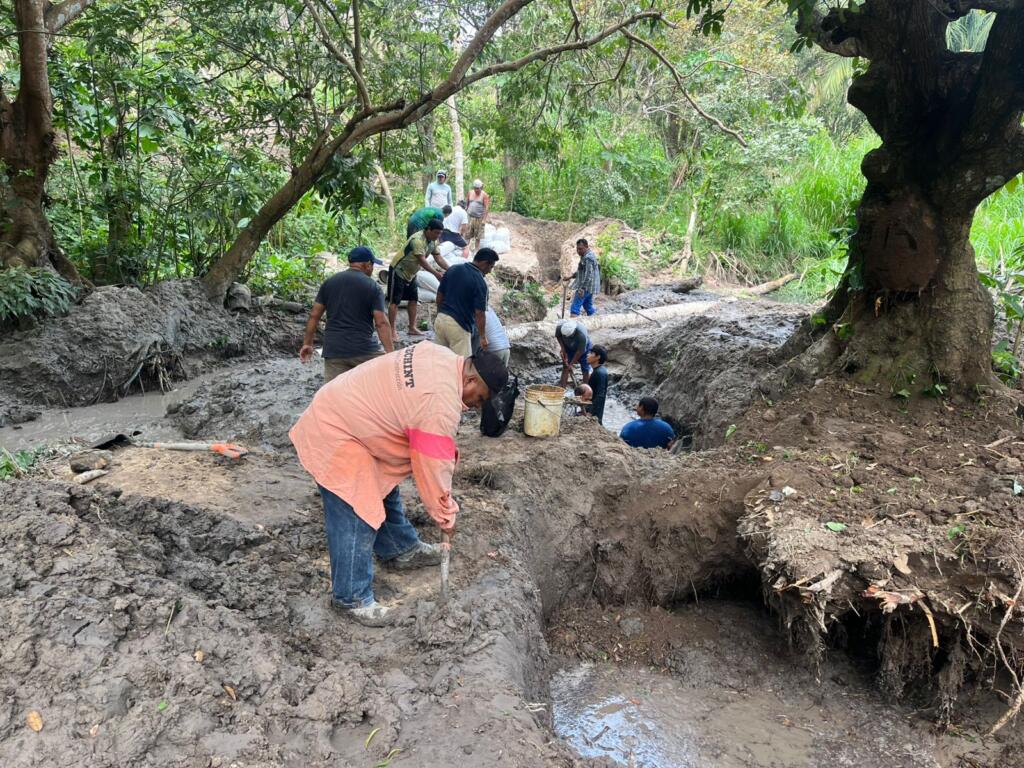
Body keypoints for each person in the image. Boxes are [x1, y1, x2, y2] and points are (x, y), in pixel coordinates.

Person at [290, 345, 509, 626]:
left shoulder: (441, 356)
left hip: (351, 415)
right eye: (479, 399)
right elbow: (433, 466)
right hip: (336, 430)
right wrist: (445, 513)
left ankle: (398, 549)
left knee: (383, 487)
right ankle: (351, 597)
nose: (475, 407)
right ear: (470, 381)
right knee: (356, 507)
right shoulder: (438, 403)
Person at [300, 246, 394, 382]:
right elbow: (381, 323)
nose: (373, 268)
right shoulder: (373, 287)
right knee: (382, 384)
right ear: (367, 265)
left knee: (334, 395)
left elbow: (314, 316)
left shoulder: (329, 283)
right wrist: (390, 354)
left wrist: (307, 344)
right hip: (364, 350)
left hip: (334, 351)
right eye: (372, 265)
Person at [388, 219, 450, 342]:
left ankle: (412, 327)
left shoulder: (432, 242)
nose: (437, 236)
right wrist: (436, 274)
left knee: (413, 300)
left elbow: (438, 258)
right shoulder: (417, 240)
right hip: (399, 270)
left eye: (439, 233)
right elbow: (422, 261)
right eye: (436, 233)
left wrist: (451, 269)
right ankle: (392, 331)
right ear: (428, 230)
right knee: (394, 301)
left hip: (412, 273)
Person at [434, 248, 499, 357]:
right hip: (458, 326)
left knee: (441, 360)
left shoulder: (453, 269)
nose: (490, 271)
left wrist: (440, 313)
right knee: (462, 365)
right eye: (491, 267)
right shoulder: (479, 282)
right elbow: (479, 313)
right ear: (484, 263)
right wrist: (483, 337)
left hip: (440, 320)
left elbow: (439, 296)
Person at [568, 238, 601, 317]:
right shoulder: (585, 256)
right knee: (588, 306)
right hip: (590, 287)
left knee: (574, 308)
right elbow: (581, 272)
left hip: (586, 287)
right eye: (577, 249)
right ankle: (595, 321)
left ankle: (573, 327)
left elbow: (588, 275)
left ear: (586, 246)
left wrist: (582, 288)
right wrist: (570, 277)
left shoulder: (588, 258)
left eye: (580, 249)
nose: (578, 251)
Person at [556, 318, 592, 387]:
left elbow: (580, 351)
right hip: (568, 347)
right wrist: (563, 348)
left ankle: (584, 389)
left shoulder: (582, 335)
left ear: (574, 332)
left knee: (585, 369)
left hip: (584, 349)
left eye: (569, 336)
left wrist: (571, 364)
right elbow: (558, 336)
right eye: (565, 336)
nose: (567, 337)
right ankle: (562, 389)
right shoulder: (559, 327)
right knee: (565, 367)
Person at [586, 344, 609, 424]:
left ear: (598, 357)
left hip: (594, 414)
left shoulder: (599, 373)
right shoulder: (598, 371)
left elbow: (600, 395)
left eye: (591, 353)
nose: (588, 355)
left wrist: (591, 412)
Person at [466, 179, 490, 250]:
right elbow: (467, 204)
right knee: (467, 235)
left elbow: (486, 208)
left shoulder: (484, 195)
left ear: (481, 188)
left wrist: (484, 220)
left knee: (478, 236)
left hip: (479, 218)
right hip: (470, 217)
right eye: (475, 188)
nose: (476, 190)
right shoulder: (470, 193)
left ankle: (476, 250)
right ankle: (466, 249)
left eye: (478, 188)